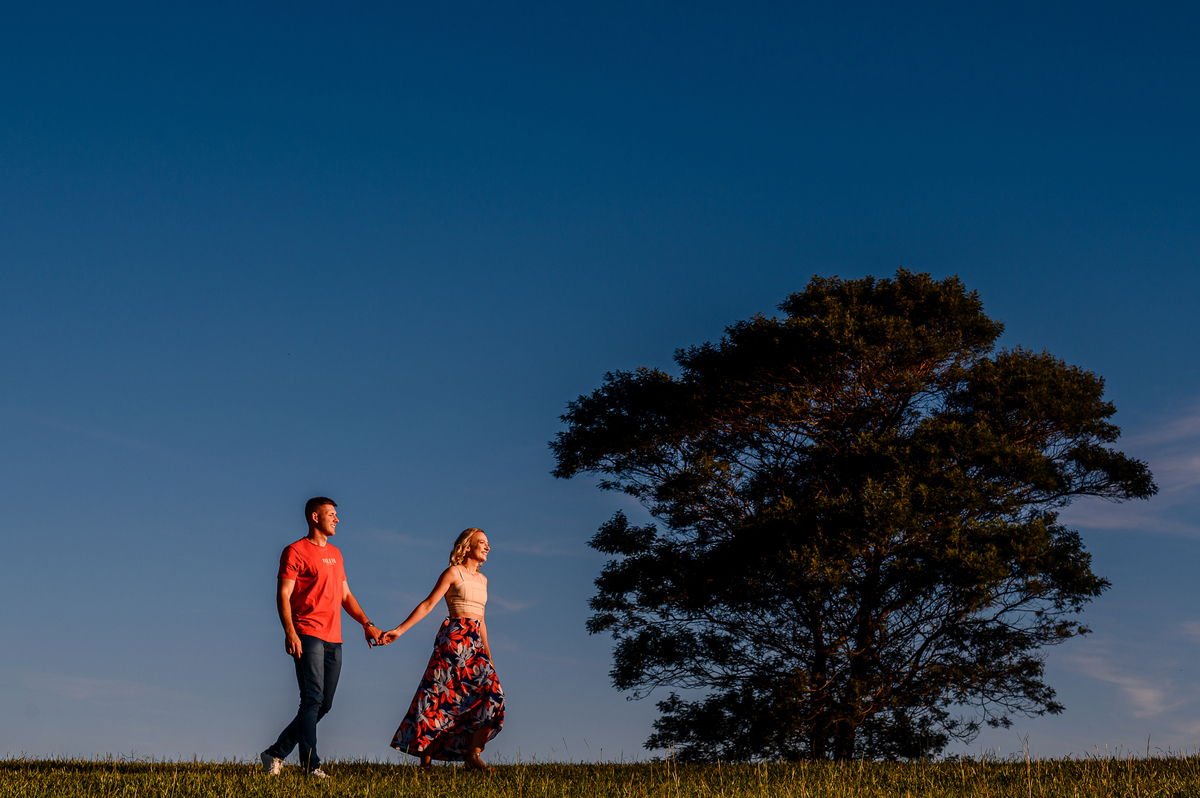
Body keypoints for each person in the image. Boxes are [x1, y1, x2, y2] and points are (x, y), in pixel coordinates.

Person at [260, 497, 383, 779]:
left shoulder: (337, 554)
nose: (337, 519)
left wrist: (367, 623)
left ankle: (275, 753)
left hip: (334, 638)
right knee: (312, 698)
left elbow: (345, 596)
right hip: (307, 633)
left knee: (323, 704)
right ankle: (311, 766)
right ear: (315, 517)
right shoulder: (294, 551)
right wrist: (290, 631)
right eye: (331, 514)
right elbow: (284, 595)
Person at [380, 527, 505, 771]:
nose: (488, 547)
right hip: (453, 640)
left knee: (493, 694)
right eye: (482, 542)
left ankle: (473, 755)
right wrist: (399, 630)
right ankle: (425, 762)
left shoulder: (483, 580)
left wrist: (487, 653)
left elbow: (482, 619)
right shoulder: (453, 573)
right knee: (436, 698)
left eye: (488, 543)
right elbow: (427, 605)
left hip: (475, 643)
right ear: (467, 546)